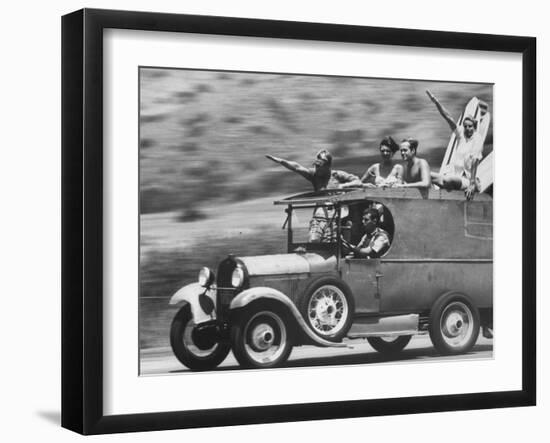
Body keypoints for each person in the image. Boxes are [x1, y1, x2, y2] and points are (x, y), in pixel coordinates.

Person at [426, 90, 483, 200]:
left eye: (470, 126)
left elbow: (475, 161)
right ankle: (433, 196)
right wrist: (435, 101)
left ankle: (442, 187)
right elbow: (447, 117)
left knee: (448, 180)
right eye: (465, 126)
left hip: (467, 181)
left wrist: (471, 185)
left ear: (475, 127)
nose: (467, 128)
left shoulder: (477, 139)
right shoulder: (461, 135)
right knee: (426, 174)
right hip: (454, 177)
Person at [265, 149, 358, 192]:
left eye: (320, 166)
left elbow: (357, 181)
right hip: (321, 213)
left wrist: (343, 185)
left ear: (328, 166)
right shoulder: (314, 175)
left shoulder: (338, 175)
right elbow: (296, 167)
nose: (317, 169)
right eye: (316, 166)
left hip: (339, 212)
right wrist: (281, 161)